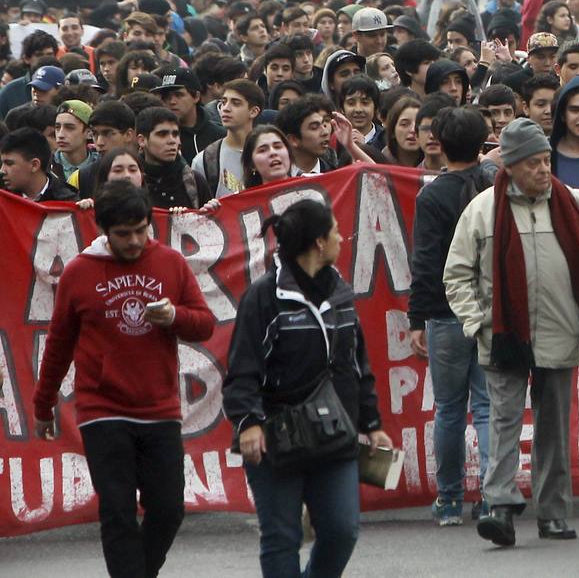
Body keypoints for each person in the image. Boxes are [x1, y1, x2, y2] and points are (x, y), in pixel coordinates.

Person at [443, 119, 579, 547]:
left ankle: (553, 513)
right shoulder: (483, 210)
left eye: (546, 160)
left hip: (560, 332)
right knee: (504, 422)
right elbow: (457, 275)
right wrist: (478, 322)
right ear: (511, 165)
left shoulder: (570, 205)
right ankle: (500, 508)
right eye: (533, 163)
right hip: (503, 336)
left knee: (553, 427)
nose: (544, 170)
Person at [33, 181, 214, 578]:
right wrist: (43, 404)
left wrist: (175, 317)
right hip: (103, 409)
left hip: (159, 407)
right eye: (123, 234)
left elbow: (204, 324)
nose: (134, 241)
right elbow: (59, 344)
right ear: (103, 230)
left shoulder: (170, 263)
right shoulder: (79, 271)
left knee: (168, 509)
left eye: (140, 230)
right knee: (117, 512)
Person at [224, 200, 391, 576]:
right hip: (276, 439)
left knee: (341, 531)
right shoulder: (264, 297)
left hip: (335, 433)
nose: (341, 239)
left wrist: (371, 422)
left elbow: (356, 363)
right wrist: (248, 422)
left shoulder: (340, 292)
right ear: (319, 242)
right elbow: (242, 369)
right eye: (336, 232)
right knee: (282, 536)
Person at [409, 108, 494, 527]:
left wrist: (416, 318)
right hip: (492, 310)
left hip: (446, 314)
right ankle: (494, 497)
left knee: (448, 408)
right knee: (488, 406)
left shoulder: (432, 196)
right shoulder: (494, 188)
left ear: (439, 144)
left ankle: (449, 499)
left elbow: (425, 262)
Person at [1, 126, 78, 202]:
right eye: (2, 163)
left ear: (34, 165)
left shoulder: (68, 202)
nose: (2, 171)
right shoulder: (3, 201)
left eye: (9, 164)